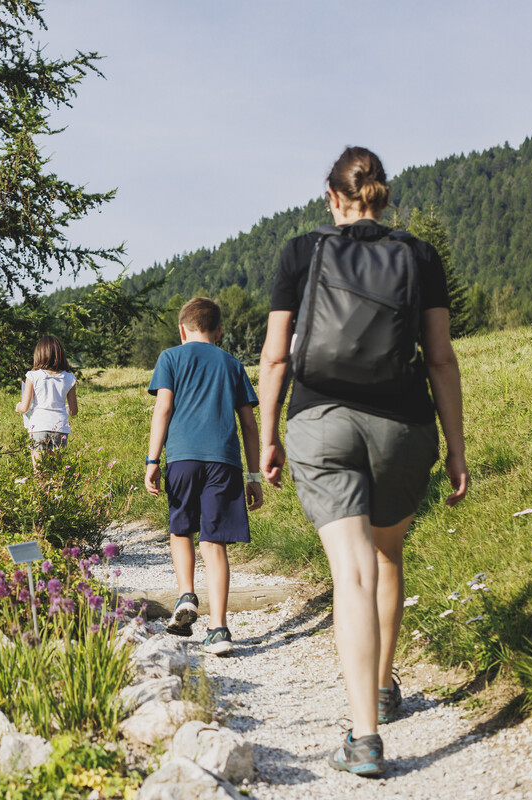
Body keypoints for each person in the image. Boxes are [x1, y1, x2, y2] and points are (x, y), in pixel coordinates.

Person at [258, 146, 469, 777]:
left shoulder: (301, 251)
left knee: (350, 572)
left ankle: (365, 738)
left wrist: (266, 436)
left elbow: (275, 356)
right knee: (385, 555)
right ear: (381, 194)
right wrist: (457, 448)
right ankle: (381, 687)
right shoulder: (418, 255)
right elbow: (440, 358)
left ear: (332, 197)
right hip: (402, 426)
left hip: (320, 423)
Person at [144, 297, 263, 655]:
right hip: (224, 462)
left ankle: (186, 595)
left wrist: (152, 460)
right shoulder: (233, 364)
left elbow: (163, 408)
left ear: (182, 330)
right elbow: (249, 425)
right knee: (214, 543)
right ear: (220, 331)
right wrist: (254, 475)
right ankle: (219, 629)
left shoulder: (170, 357)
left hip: (182, 458)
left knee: (181, 529)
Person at [15, 335, 78, 467]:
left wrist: (18, 406)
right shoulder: (69, 378)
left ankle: (40, 481)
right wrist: (64, 408)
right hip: (60, 428)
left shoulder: (33, 376)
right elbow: (73, 411)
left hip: (38, 427)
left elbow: (25, 407)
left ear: (39, 354)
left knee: (39, 470)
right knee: (57, 469)